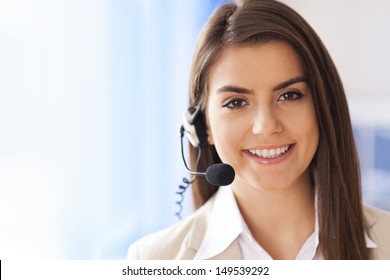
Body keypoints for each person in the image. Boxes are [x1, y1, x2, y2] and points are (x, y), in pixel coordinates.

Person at [127, 0, 390, 260]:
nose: (266, 126)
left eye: (289, 96)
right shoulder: (154, 259)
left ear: (323, 106)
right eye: (236, 102)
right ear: (202, 125)